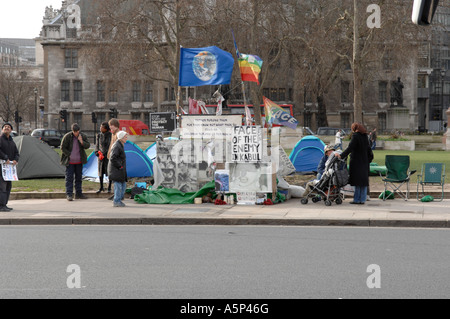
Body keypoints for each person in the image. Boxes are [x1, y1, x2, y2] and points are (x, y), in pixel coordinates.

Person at [336, 123, 373, 205]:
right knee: (363, 182)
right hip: (364, 162)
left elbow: (350, 148)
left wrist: (341, 156)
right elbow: (369, 149)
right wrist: (368, 160)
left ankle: (356, 199)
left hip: (356, 162)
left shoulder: (355, 136)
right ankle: (362, 199)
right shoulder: (365, 137)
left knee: (357, 182)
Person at [60, 123, 91, 201]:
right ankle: (69, 194)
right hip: (70, 162)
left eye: (77, 131)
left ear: (79, 130)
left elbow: (87, 146)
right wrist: (69, 154)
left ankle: (78, 194)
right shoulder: (67, 136)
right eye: (74, 131)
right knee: (69, 178)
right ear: (72, 130)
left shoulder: (82, 136)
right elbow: (62, 147)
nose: (76, 133)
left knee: (79, 178)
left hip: (79, 161)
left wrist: (81, 142)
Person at [0, 123, 19, 211]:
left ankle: (5, 204)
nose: (7, 128)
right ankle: (1, 205)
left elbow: (16, 152)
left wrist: (15, 159)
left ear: (11, 130)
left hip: (9, 169)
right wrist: (5, 157)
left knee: (8, 186)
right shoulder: (0, 139)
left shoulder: (11, 141)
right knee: (2, 187)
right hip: (1, 167)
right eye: (5, 127)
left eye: (8, 127)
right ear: (2, 129)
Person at [108, 130, 128, 207]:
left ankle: (118, 199)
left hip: (119, 170)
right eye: (125, 137)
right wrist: (120, 166)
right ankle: (116, 201)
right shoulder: (117, 146)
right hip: (116, 170)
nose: (126, 138)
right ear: (121, 138)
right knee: (118, 185)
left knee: (123, 185)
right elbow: (113, 158)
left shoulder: (120, 145)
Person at [95, 122, 112, 193]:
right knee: (100, 172)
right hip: (100, 156)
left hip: (108, 156)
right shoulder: (99, 135)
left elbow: (111, 145)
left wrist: (107, 154)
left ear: (106, 129)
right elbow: (97, 145)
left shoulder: (110, 135)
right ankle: (101, 187)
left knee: (109, 171)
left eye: (102, 127)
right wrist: (97, 153)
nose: (100, 128)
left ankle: (109, 187)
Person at [107, 118, 120, 200]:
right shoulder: (113, 134)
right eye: (109, 125)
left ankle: (117, 194)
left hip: (115, 159)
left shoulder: (118, 134)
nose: (110, 127)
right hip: (112, 157)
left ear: (115, 125)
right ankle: (115, 193)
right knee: (113, 177)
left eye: (111, 125)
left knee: (116, 178)